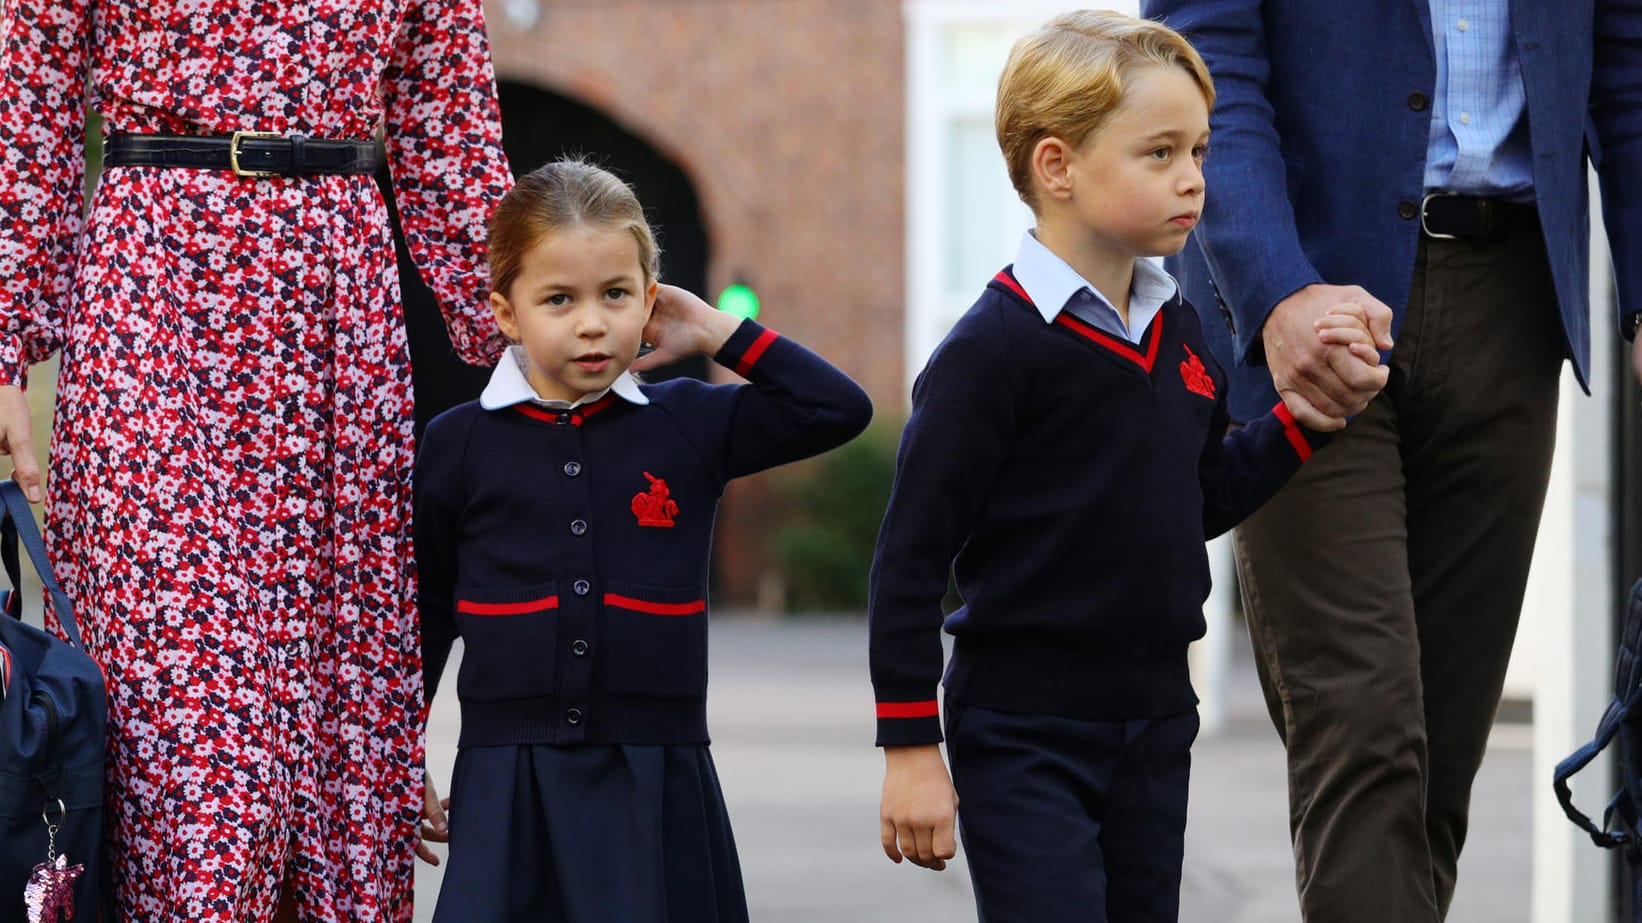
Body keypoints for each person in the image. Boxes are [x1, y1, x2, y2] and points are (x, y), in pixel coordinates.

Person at [865, 11, 1389, 922]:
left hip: (1152, 720)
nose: (1194, 178)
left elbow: (1197, 497)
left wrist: (1302, 422)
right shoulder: (990, 353)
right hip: (1022, 728)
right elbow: (908, 561)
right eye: (1160, 154)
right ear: (1056, 166)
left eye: (1198, 150)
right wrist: (911, 745)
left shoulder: (1185, 331)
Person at [0, 1, 513, 920]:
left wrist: (538, 340)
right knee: (179, 708)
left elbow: (451, 132)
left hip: (336, 306)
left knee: (336, 699)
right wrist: (3, 346)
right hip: (155, 292)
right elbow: (27, 101)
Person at [1138, 1, 1642, 919]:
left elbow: (1628, 67)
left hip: (1513, 307)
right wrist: (1276, 291)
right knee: (1361, 726)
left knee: (1438, 761)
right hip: (1309, 297)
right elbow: (1204, 62)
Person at [413, 159, 872, 923]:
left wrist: (716, 331)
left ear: (650, 299)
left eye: (616, 295)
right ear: (505, 311)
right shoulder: (458, 444)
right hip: (505, 779)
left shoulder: (687, 424)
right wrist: (404, 751)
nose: (593, 322)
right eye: (559, 299)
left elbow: (836, 408)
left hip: (657, 776)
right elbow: (425, 609)